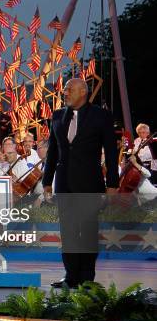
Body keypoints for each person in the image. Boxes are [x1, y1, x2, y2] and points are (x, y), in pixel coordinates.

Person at [42, 78, 118, 289]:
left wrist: (112, 184)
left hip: (90, 183)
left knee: (87, 232)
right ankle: (70, 277)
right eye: (64, 90)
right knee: (68, 232)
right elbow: (52, 151)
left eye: (69, 90)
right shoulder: (58, 116)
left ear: (83, 92)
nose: (65, 93)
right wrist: (47, 181)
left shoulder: (101, 116)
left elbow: (112, 152)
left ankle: (86, 279)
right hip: (63, 184)